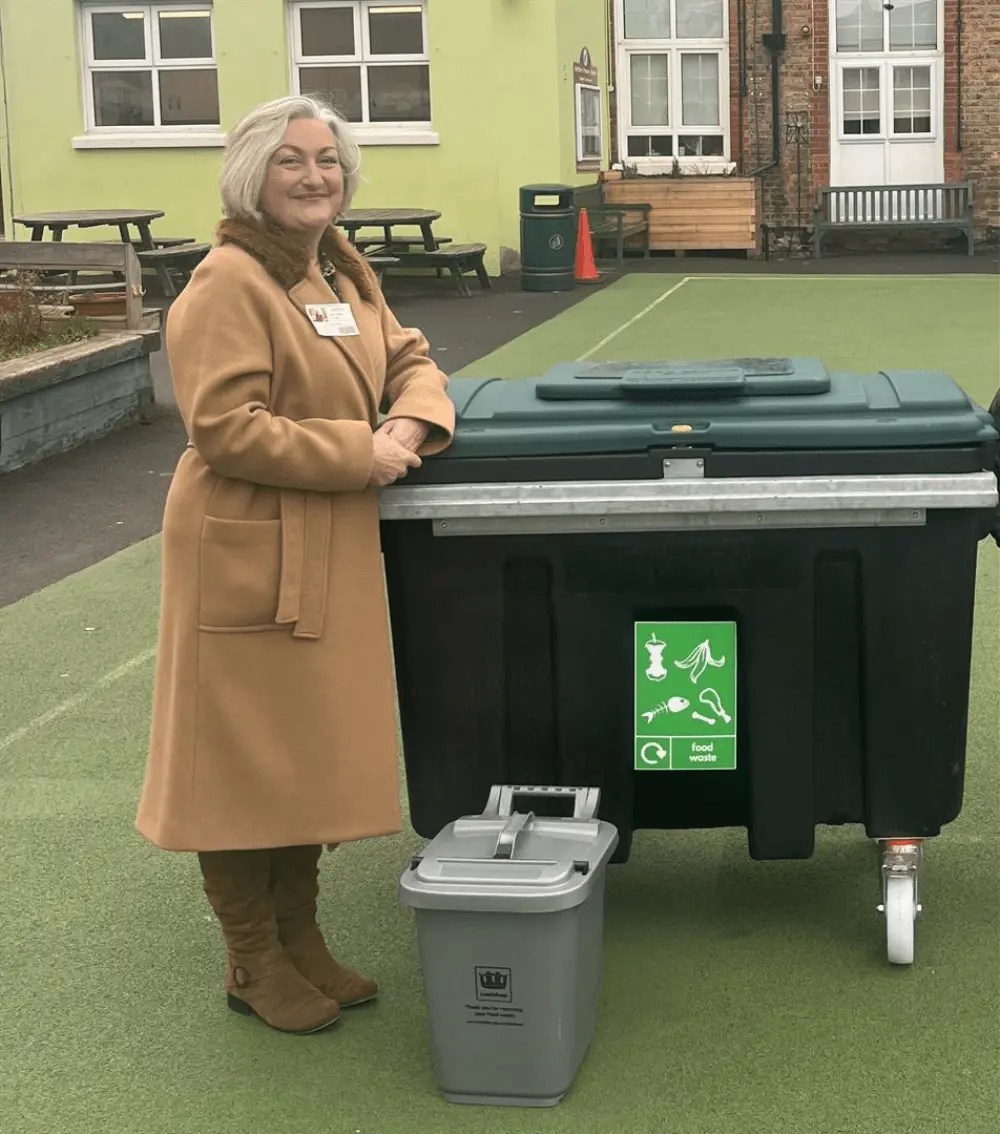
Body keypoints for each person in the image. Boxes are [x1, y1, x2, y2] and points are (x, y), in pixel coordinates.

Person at [135, 95, 456, 1035]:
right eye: (292, 161)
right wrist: (360, 452)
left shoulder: (338, 271)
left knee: (302, 751)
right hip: (246, 544)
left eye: (328, 159)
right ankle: (251, 958)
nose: (317, 176)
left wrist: (411, 418)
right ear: (251, 175)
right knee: (244, 764)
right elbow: (225, 430)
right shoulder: (228, 282)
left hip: (323, 545)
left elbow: (412, 359)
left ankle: (299, 938)